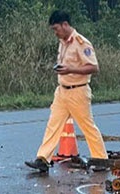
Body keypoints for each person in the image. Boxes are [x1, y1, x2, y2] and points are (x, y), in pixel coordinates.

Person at [25, 10, 108, 172]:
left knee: (87, 127)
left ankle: (100, 159)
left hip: (78, 91)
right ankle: (43, 159)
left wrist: (70, 69)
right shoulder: (63, 42)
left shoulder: (81, 43)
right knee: (53, 125)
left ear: (65, 24)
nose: (55, 32)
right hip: (62, 91)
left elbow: (93, 67)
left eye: (56, 28)